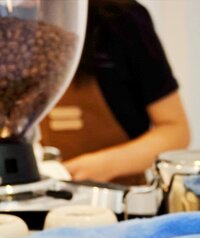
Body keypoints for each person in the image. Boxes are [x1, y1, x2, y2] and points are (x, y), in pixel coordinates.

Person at [40, 0, 189, 185]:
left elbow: (176, 131)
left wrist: (105, 165)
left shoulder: (123, 20)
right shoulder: (16, 21)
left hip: (120, 196)